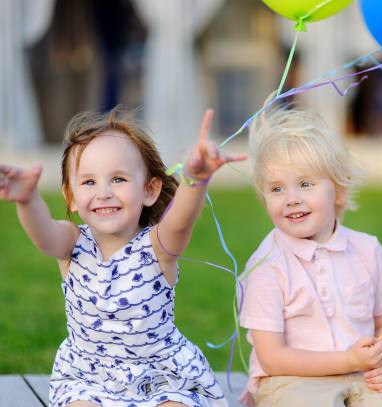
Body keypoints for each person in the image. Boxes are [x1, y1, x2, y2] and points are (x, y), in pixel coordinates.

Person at [0, 107, 245, 407]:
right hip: (88, 378)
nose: (103, 192)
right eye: (89, 182)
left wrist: (195, 180)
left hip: (160, 377)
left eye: (118, 179)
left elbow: (180, 221)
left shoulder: (158, 246)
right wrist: (27, 200)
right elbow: (44, 234)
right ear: (71, 197)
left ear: (150, 190)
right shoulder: (72, 243)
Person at [238, 104, 382, 407]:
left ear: (339, 190)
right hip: (291, 379)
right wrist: (346, 359)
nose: (292, 199)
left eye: (305, 184)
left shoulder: (367, 250)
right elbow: (272, 357)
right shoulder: (267, 265)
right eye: (277, 188)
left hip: (362, 374)